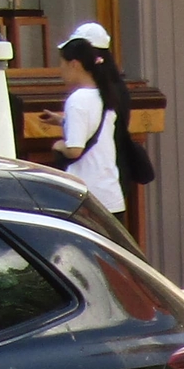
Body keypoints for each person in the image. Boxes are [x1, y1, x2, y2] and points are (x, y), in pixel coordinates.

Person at [54, 22, 130, 227]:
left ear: (75, 63)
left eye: (62, 63)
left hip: (86, 196)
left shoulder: (78, 99)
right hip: (111, 192)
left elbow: (75, 150)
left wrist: (59, 145)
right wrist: (63, 120)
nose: (60, 69)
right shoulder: (106, 92)